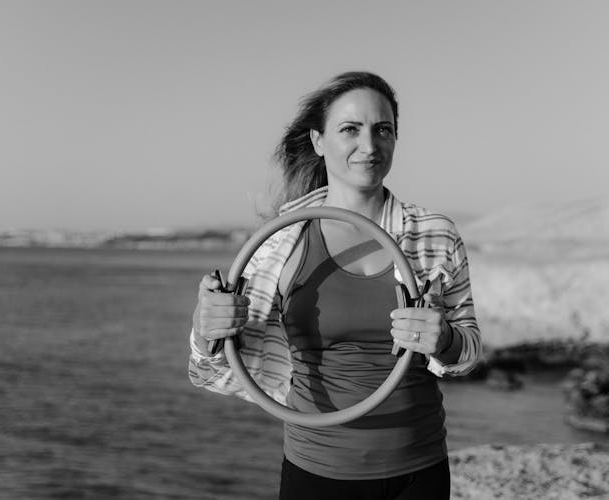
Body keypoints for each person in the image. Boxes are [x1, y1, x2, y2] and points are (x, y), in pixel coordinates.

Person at [189, 71, 481, 500]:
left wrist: (445, 341)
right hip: (317, 470)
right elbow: (206, 367)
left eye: (383, 129)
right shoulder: (278, 240)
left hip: (419, 468)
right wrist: (207, 329)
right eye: (350, 129)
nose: (369, 145)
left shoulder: (435, 233)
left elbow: (469, 351)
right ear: (318, 141)